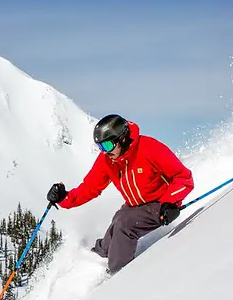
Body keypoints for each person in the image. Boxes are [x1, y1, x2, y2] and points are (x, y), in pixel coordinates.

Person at [47, 114, 194, 275]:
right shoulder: (108, 160)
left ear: (122, 139)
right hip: (133, 207)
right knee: (117, 221)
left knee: (125, 224)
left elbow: (184, 178)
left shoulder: (149, 148)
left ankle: (119, 276)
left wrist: (170, 203)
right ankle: (97, 259)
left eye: (108, 146)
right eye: (100, 147)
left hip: (160, 204)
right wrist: (64, 198)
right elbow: (90, 187)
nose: (104, 152)